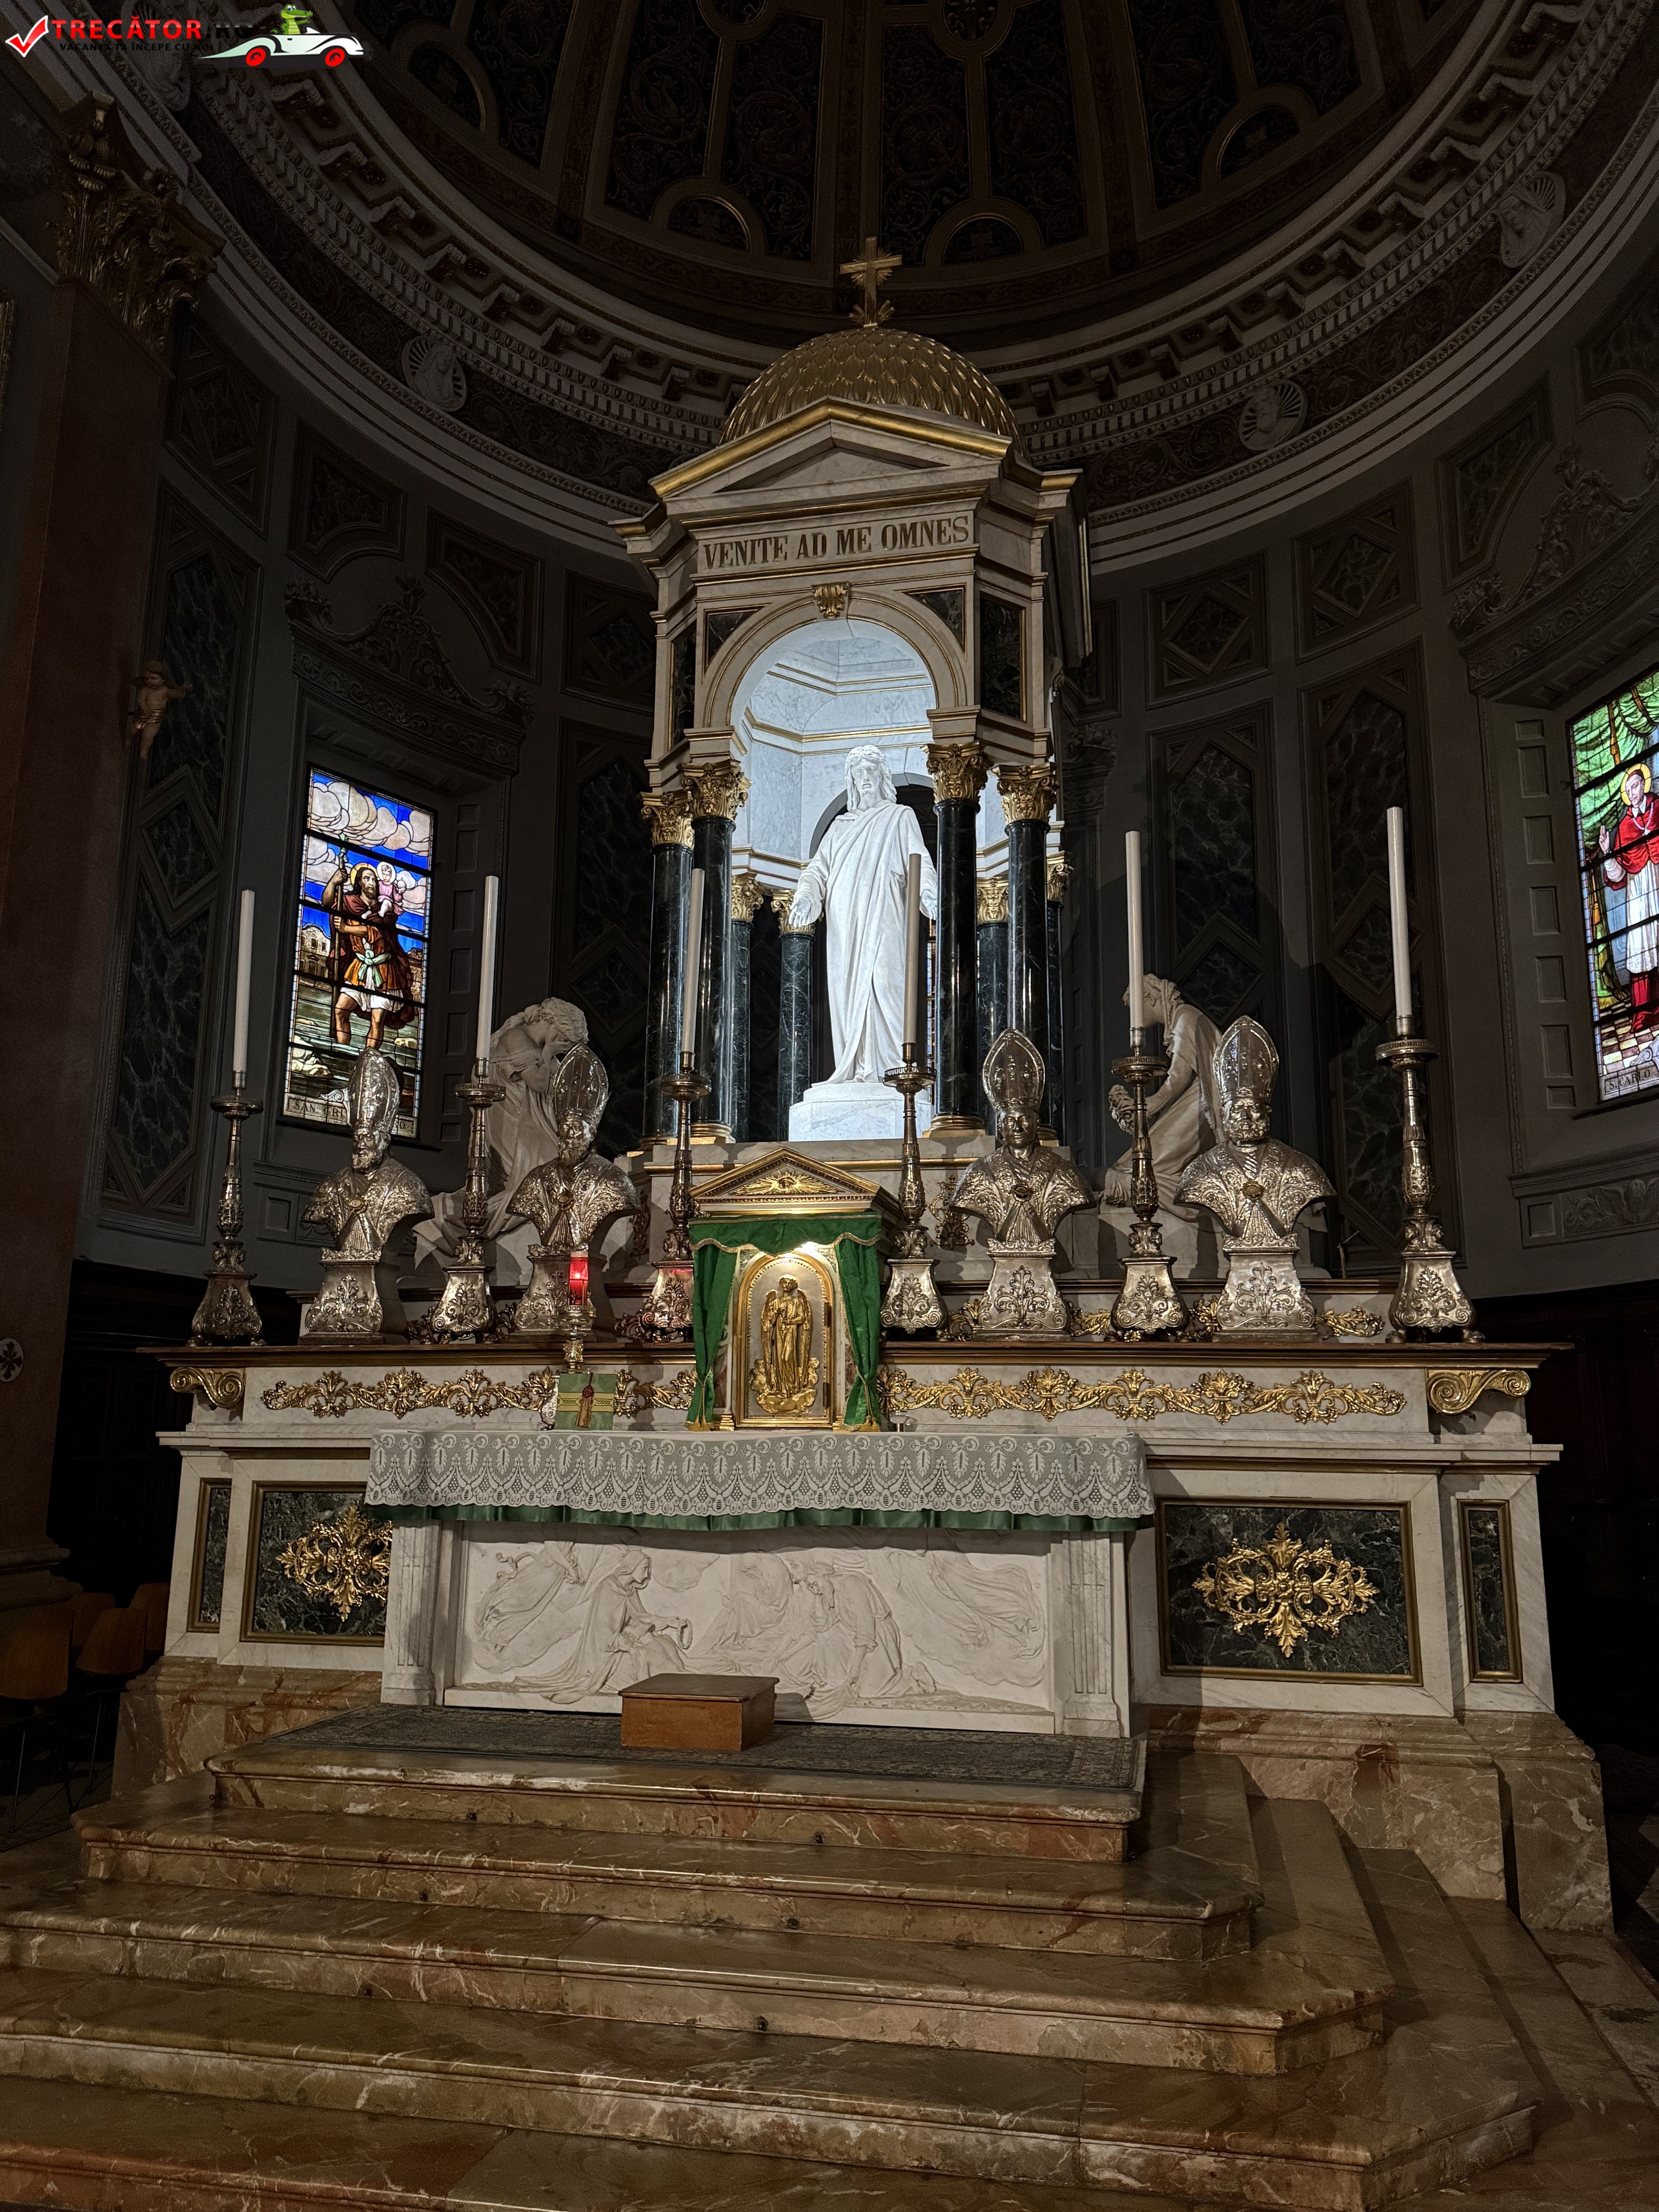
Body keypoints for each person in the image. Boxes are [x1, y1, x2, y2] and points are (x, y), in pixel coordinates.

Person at [788, 746, 937, 1084]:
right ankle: (855, 1068)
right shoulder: (839, 827)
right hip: (845, 920)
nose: (865, 778)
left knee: (885, 982)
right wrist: (807, 896)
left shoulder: (899, 817)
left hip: (885, 913)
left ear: (882, 776)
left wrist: (928, 892)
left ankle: (891, 1068)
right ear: (852, 781)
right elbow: (817, 870)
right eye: (859, 773)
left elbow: (919, 860)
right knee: (848, 993)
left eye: (871, 770)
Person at [324, 860, 417, 1053]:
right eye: (367, 879)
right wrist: (333, 882)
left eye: (374, 879)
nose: (372, 883)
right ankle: (342, 1053)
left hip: (384, 973)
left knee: (377, 1021)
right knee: (340, 1011)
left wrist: (346, 928)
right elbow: (327, 903)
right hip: (359, 968)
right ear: (359, 882)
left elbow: (375, 931)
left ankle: (367, 1062)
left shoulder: (386, 910)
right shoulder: (349, 903)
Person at [1600, 762, 1659, 1034]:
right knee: (1642, 945)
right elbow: (1618, 874)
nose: (1632, 792)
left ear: (1644, 785)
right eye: (1628, 789)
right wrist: (1607, 854)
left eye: (1635, 786)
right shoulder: (1624, 827)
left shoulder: (1658, 808)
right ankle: (1645, 1012)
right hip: (1637, 897)